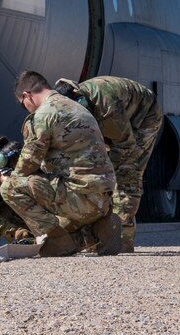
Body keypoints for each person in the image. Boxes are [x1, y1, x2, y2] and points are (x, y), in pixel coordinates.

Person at [0, 70, 120, 257]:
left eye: (22, 104)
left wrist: (8, 177)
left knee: (10, 188)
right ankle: (100, 227)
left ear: (27, 96)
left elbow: (28, 163)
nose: (25, 108)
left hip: (80, 197)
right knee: (63, 225)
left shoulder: (45, 114)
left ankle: (58, 242)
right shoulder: (77, 107)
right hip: (103, 196)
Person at [54, 75, 163, 251]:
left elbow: (126, 145)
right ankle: (96, 237)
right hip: (114, 122)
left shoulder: (106, 106)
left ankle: (122, 238)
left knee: (127, 173)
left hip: (143, 118)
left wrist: (106, 174)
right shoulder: (67, 107)